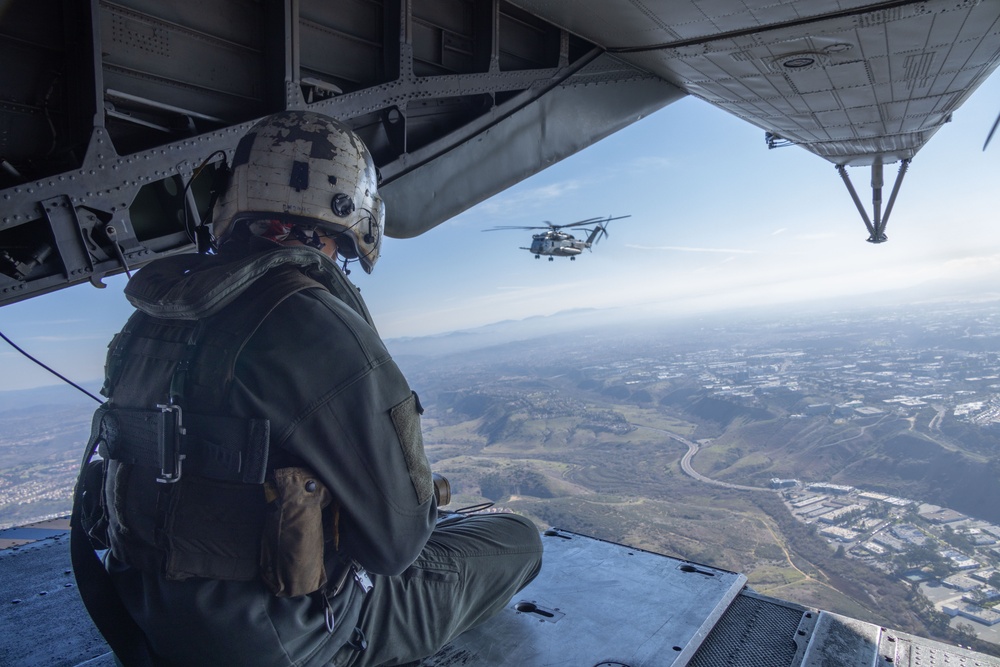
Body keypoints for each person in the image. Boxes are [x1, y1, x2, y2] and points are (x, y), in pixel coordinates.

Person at [84, 110, 543, 666]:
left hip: (145, 618)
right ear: (349, 216)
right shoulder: (310, 321)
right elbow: (397, 547)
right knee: (517, 539)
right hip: (279, 640)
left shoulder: (153, 319)